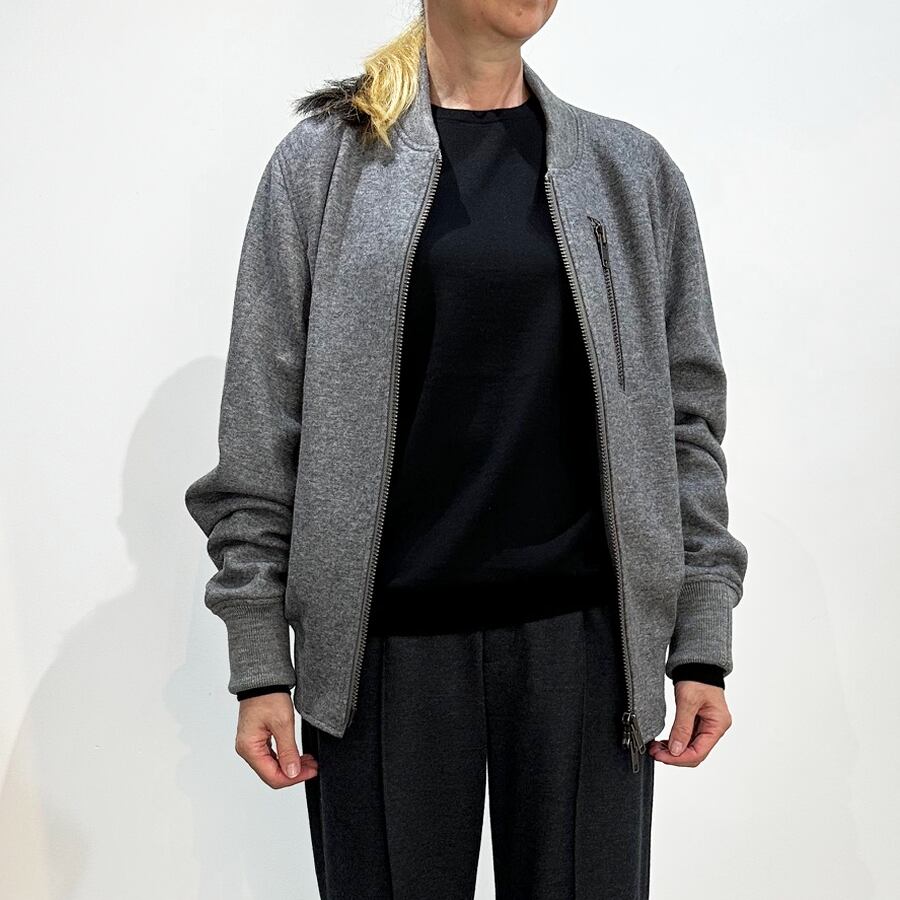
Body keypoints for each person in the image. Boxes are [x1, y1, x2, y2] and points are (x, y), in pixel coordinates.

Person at [184, 2, 749, 897]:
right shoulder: (323, 166)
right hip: (380, 658)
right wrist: (260, 663)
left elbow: (685, 418)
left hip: (587, 651)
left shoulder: (627, 171)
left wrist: (700, 640)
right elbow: (262, 424)